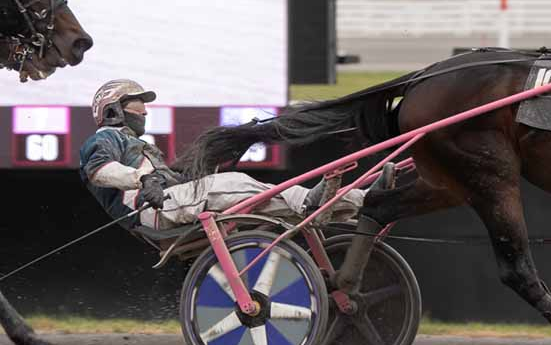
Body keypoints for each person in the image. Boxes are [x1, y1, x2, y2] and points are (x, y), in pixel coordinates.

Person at [79, 79, 381, 230]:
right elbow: (99, 171)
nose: (144, 110)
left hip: (166, 202)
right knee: (232, 183)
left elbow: (170, 179)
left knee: (270, 198)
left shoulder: (143, 147)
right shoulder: (105, 138)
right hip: (150, 212)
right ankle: (310, 202)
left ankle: (362, 201)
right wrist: (143, 179)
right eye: (136, 104)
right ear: (113, 110)